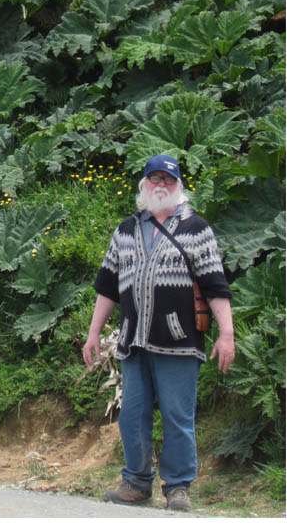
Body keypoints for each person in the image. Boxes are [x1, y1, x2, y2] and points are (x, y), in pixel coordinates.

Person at [82, 154, 235, 512]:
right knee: (133, 415)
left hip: (179, 342)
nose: (161, 186)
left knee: (177, 417)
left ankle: (178, 488)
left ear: (179, 187)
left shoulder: (197, 228)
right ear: (144, 186)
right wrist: (94, 333)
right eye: (154, 179)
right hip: (133, 340)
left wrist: (226, 334)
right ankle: (135, 483)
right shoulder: (126, 228)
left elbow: (216, 286)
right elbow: (107, 287)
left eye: (168, 180)